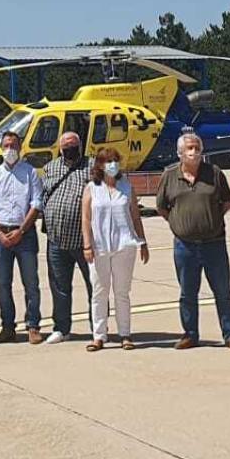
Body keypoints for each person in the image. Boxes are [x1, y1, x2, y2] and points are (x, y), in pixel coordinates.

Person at [155, 132, 230, 350]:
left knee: (223, 291)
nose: (194, 152)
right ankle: (190, 334)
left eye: (197, 148)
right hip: (185, 245)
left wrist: (211, 220)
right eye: (189, 148)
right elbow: (162, 207)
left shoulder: (214, 173)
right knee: (187, 293)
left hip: (214, 243)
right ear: (180, 153)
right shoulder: (169, 175)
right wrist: (177, 223)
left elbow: (227, 202)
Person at [81, 147, 148, 350]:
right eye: (108, 161)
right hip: (99, 246)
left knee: (122, 292)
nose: (113, 165)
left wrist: (143, 242)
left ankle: (125, 334)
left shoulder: (126, 186)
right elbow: (86, 218)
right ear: (100, 165)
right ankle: (99, 335)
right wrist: (87, 244)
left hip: (124, 245)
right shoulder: (92, 188)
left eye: (115, 160)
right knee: (99, 292)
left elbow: (135, 216)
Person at [0, 129, 45, 343]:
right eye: (6, 146)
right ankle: (7, 327)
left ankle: (33, 325)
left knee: (31, 282)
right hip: (1, 236)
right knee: (3, 284)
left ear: (20, 148)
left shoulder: (30, 173)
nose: (10, 150)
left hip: (25, 234)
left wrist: (22, 230)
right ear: (1, 148)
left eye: (14, 146)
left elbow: (37, 203)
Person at [40, 130, 94, 345]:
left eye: (73, 145)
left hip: (84, 241)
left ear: (80, 146)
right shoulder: (50, 168)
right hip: (56, 239)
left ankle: (98, 328)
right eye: (66, 146)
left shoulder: (92, 167)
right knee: (59, 287)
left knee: (94, 286)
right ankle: (61, 329)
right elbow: (43, 196)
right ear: (60, 149)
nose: (70, 149)